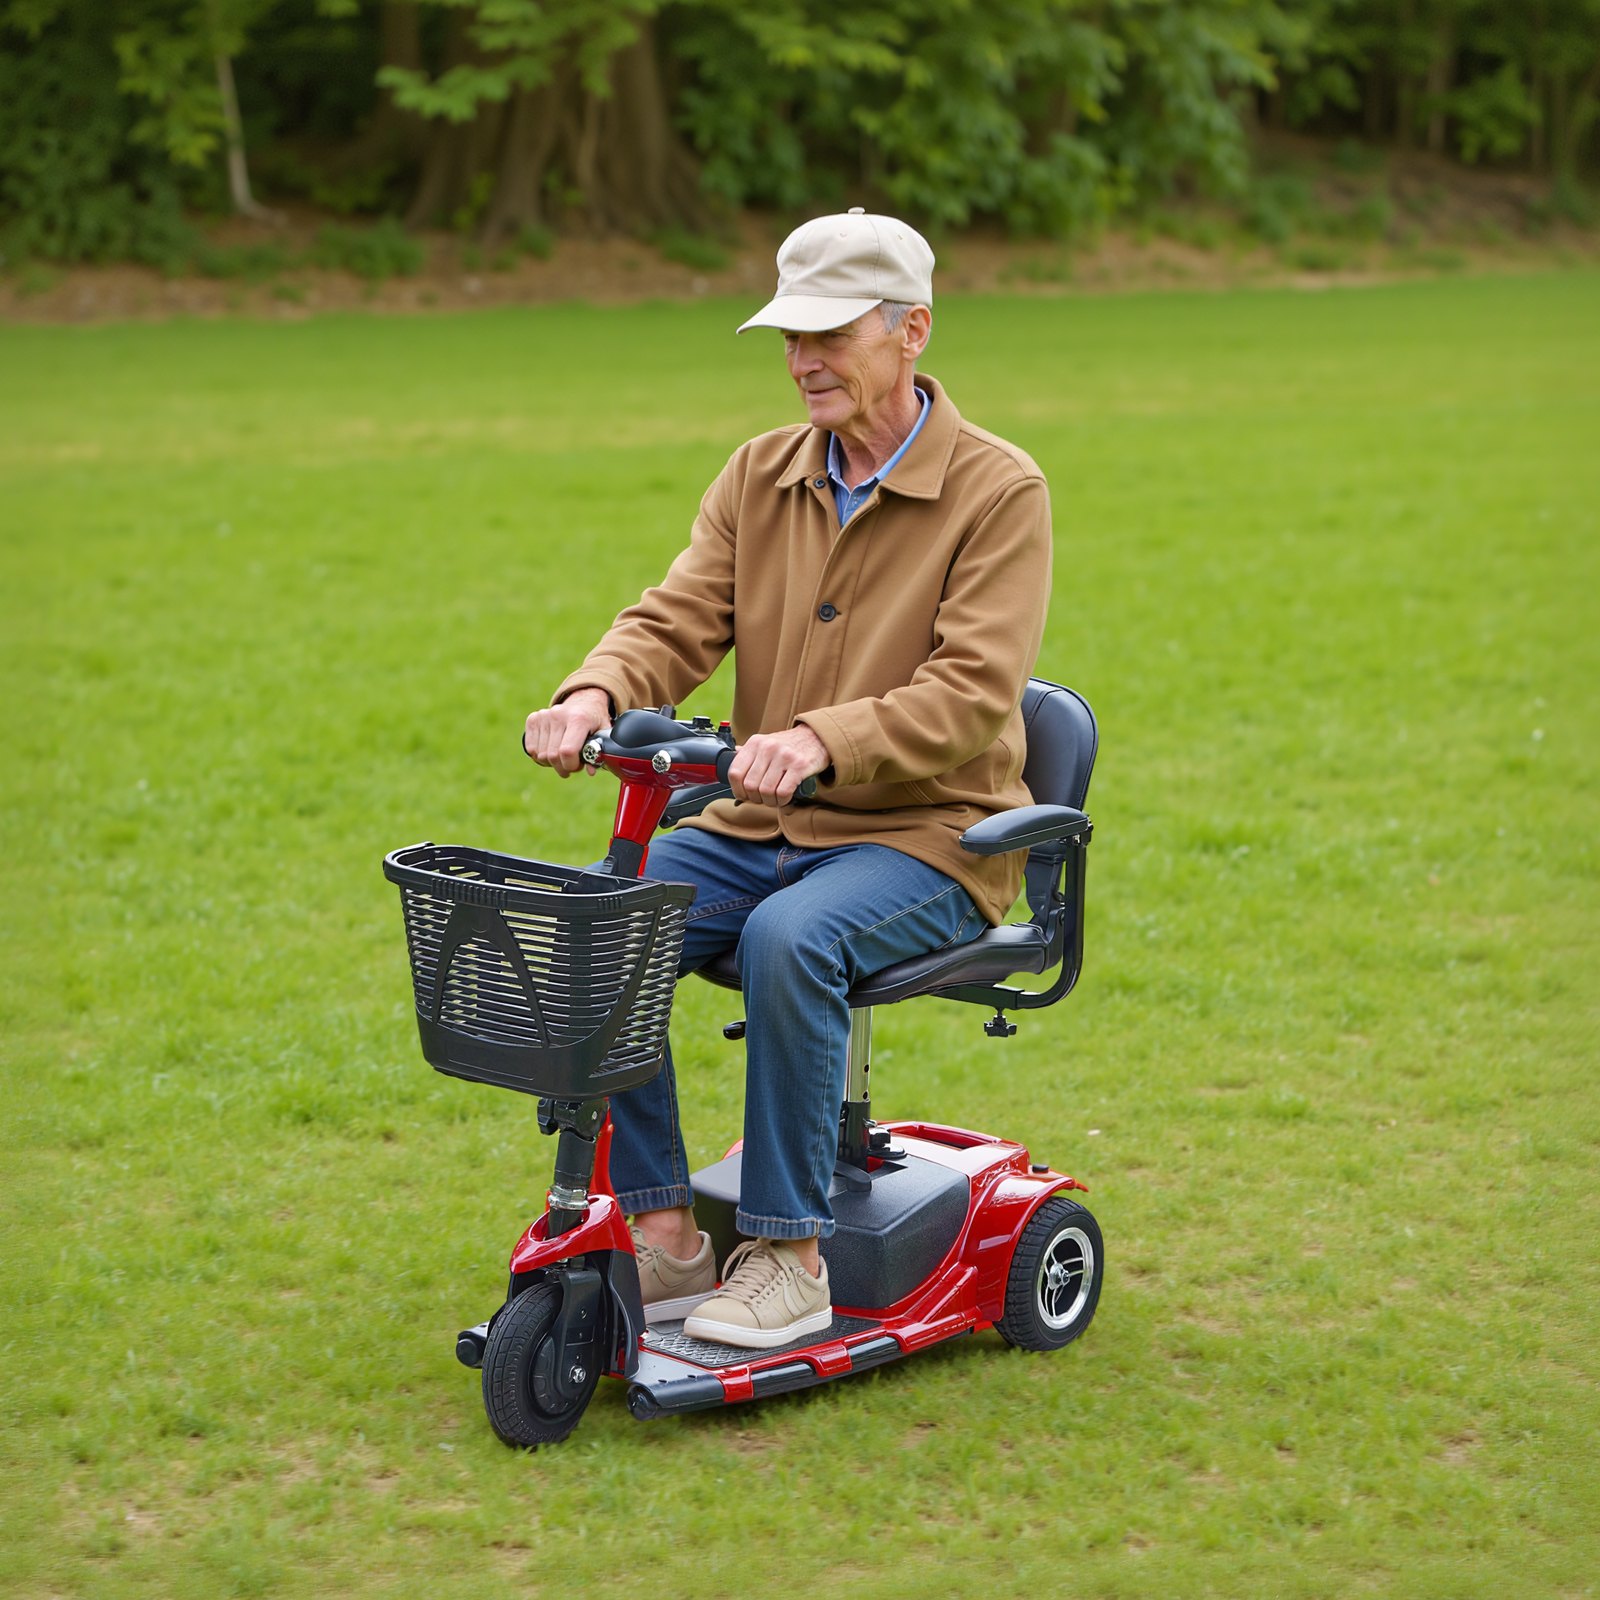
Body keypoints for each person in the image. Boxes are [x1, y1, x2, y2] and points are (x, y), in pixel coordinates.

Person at [523, 208, 1052, 1349]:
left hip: (931, 835)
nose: (802, 358)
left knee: (789, 940)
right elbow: (675, 617)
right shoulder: (759, 472)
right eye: (786, 336)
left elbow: (973, 687)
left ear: (911, 330)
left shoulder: (999, 490)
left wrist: (819, 738)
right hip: (762, 821)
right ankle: (663, 1235)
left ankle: (788, 1255)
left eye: (828, 333)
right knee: (604, 917)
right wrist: (593, 694)